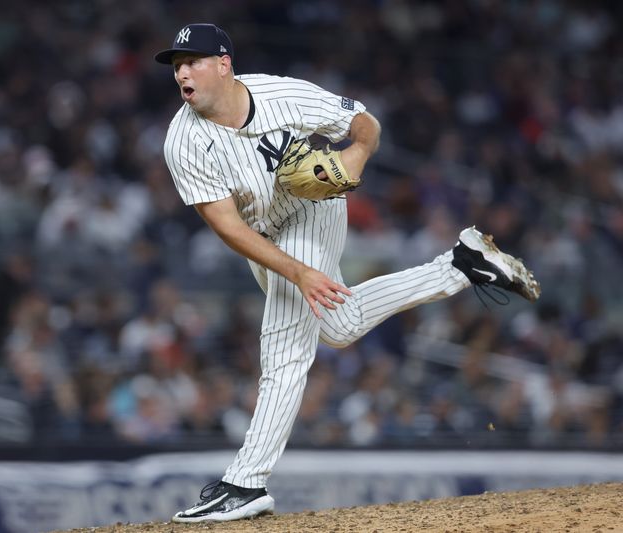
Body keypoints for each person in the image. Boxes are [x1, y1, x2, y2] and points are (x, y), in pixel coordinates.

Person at [155, 23, 540, 523]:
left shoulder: (283, 94)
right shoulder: (182, 141)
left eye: (194, 60)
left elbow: (366, 123)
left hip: (310, 209)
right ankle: (462, 265)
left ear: (224, 64)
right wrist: (298, 272)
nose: (182, 71)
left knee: (285, 345)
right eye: (177, 65)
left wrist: (353, 156)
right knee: (340, 325)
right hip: (260, 236)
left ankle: (245, 482)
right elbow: (227, 228)